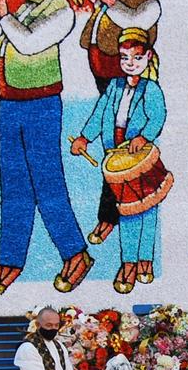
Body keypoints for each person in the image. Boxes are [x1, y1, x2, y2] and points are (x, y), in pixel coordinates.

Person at [0, 0, 93, 296]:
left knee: (47, 183)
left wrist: (2, 15)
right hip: (10, 103)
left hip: (41, 105)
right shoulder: (27, 9)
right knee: (14, 187)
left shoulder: (60, 12)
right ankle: (11, 257)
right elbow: (10, 42)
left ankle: (75, 253)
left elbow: (27, 43)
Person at [70, 29, 170, 293]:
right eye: (125, 58)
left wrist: (144, 136)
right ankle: (128, 264)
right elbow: (100, 113)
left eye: (136, 58)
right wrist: (84, 138)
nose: (130, 63)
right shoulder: (114, 86)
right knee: (126, 212)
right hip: (115, 154)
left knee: (148, 211)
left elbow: (157, 116)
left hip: (139, 156)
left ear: (148, 56)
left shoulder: (152, 89)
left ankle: (146, 261)